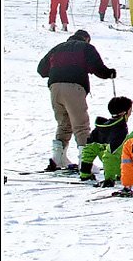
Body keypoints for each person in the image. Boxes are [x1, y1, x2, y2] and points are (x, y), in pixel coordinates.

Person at [37, 29, 116, 171]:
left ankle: (58, 158)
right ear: (86, 39)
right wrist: (109, 73)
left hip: (54, 88)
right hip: (74, 87)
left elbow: (41, 70)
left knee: (64, 123)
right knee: (81, 125)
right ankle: (85, 163)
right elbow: (97, 67)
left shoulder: (58, 47)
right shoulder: (86, 48)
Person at [79, 96, 133, 185]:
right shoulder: (120, 131)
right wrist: (109, 178)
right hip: (121, 170)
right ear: (125, 112)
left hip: (112, 166)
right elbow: (110, 156)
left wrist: (85, 174)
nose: (131, 112)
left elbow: (88, 151)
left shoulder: (99, 128)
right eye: (130, 110)